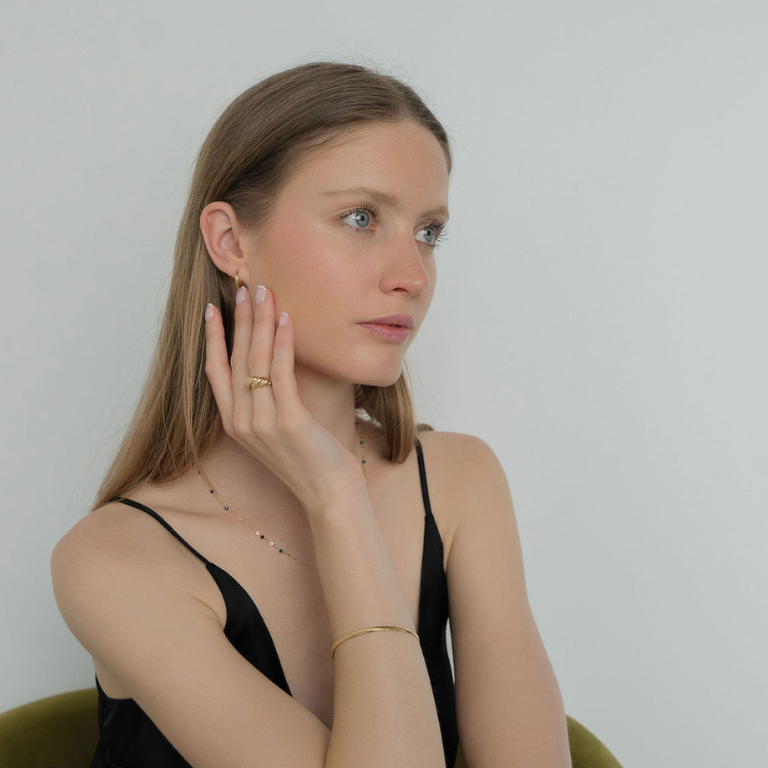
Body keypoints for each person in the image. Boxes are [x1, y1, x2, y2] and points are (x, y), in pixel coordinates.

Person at [50, 60, 572, 768]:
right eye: (361, 218)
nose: (413, 276)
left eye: (429, 231)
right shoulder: (112, 560)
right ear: (232, 243)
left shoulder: (459, 483)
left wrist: (336, 494)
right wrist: (334, 497)